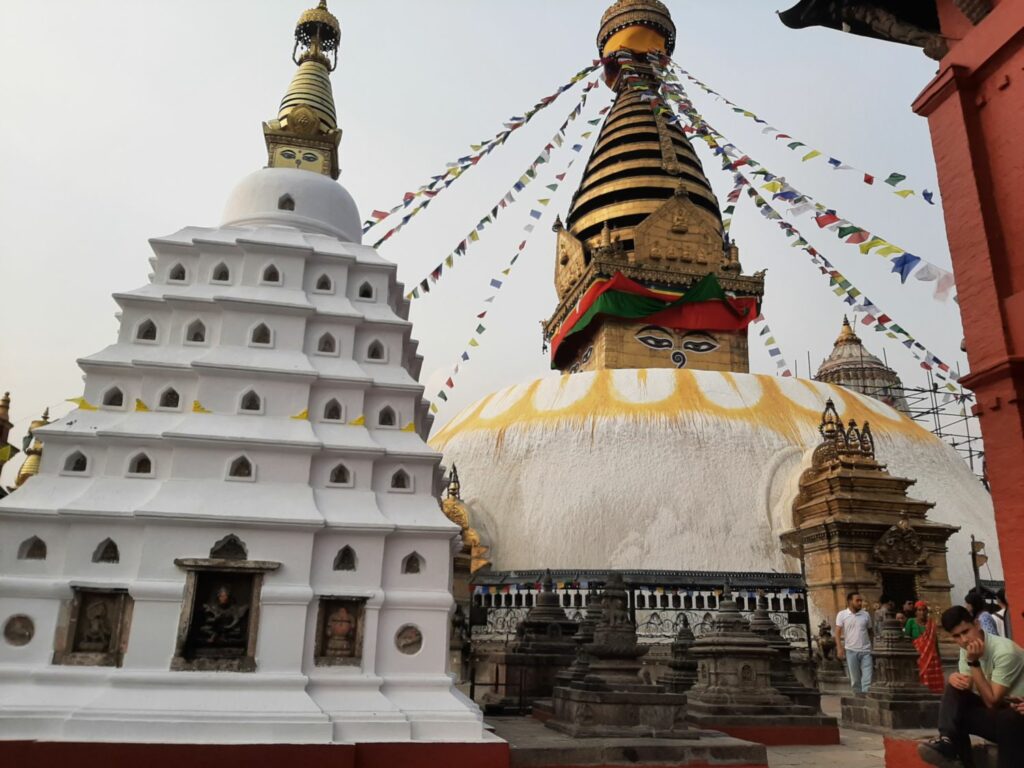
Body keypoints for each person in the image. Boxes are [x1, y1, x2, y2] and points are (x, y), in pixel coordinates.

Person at [917, 606, 1024, 768]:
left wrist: (974, 663)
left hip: (1014, 717)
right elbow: (967, 687)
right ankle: (948, 743)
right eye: (957, 636)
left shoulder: (1005, 652)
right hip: (1002, 713)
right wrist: (955, 679)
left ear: (977, 624)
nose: (964, 640)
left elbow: (992, 702)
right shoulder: (967, 648)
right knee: (955, 694)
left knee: (1008, 718)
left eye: (966, 632)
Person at [836, 591, 873, 693]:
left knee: (867, 677)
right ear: (850, 601)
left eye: (861, 600)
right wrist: (839, 648)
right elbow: (837, 632)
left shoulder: (866, 615)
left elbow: (870, 631)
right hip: (851, 650)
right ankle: (858, 698)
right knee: (855, 679)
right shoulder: (842, 614)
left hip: (866, 650)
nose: (860, 603)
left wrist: (872, 646)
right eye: (857, 600)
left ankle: (866, 696)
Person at [905, 601, 945, 694]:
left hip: (932, 656)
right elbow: (907, 638)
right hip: (917, 655)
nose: (922, 613)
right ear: (915, 612)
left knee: (931, 676)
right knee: (920, 674)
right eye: (919, 610)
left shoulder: (931, 624)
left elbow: (935, 641)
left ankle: (933, 694)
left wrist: (939, 657)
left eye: (924, 610)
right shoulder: (911, 622)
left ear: (927, 612)